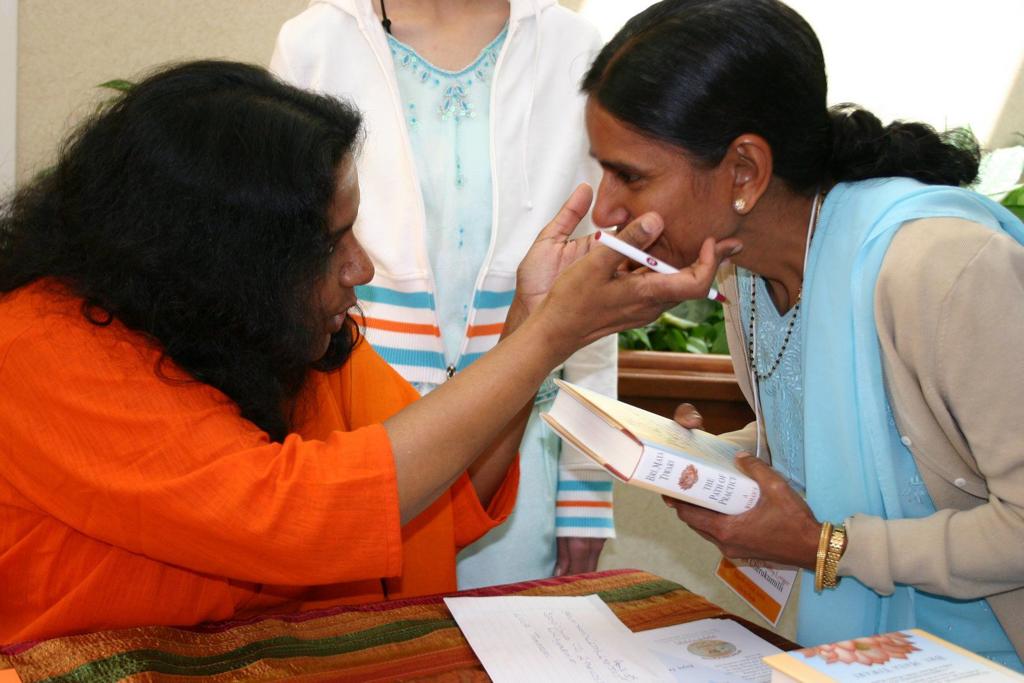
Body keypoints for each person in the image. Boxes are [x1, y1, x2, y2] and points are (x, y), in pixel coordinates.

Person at [0, 59, 735, 645]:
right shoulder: (37, 345)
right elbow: (297, 518)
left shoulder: (278, 337)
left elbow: (437, 495)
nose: (363, 268)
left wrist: (530, 325)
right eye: (329, 244)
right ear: (221, 258)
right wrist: (549, 336)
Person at [580, 0, 1024, 671]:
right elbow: (822, 442)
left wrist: (829, 547)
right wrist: (705, 462)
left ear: (745, 172)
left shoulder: (941, 268)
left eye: (631, 177)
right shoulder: (745, 272)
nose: (605, 208)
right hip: (848, 650)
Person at [270, 0, 618, 589]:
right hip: (359, 432)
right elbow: (278, 259)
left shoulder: (574, 50)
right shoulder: (316, 42)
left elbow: (591, 280)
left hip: (519, 441)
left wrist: (587, 489)